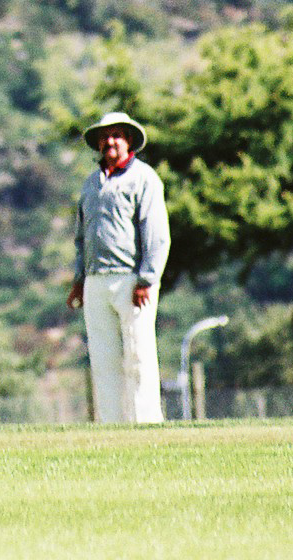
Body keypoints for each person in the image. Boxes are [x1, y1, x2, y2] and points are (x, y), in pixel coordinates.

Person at [67, 111, 169, 424]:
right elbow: (81, 236)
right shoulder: (91, 183)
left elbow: (156, 233)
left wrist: (147, 279)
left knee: (138, 355)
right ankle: (111, 422)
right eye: (105, 136)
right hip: (96, 281)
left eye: (117, 135)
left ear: (128, 140)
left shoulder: (144, 178)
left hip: (132, 280)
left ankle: (146, 421)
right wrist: (79, 280)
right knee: (103, 356)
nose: (110, 141)